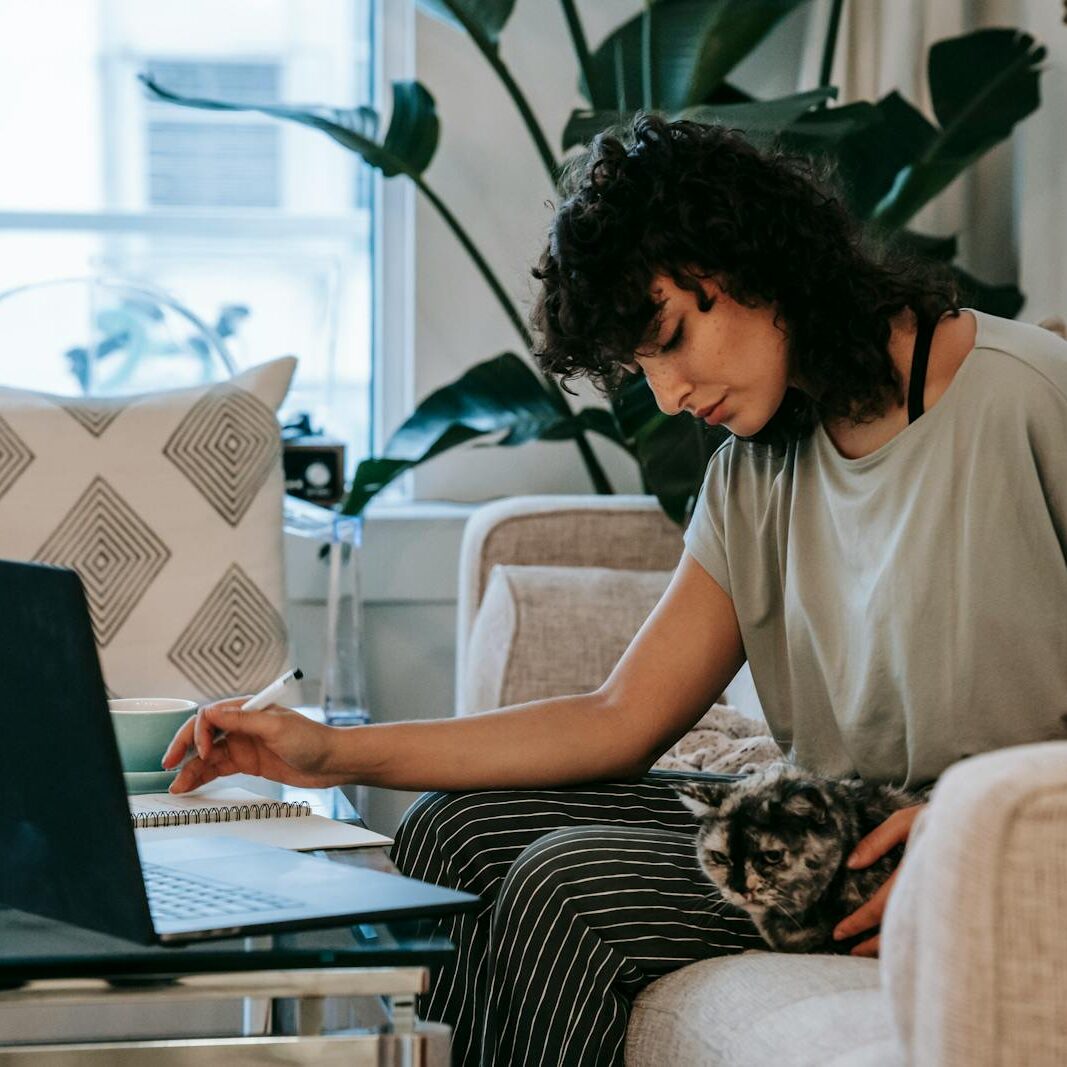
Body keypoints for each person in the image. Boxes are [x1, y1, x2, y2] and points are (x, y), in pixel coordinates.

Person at [161, 114, 1067, 1066]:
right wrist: (329, 754)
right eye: (644, 367)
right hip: (828, 824)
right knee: (450, 835)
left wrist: (982, 832)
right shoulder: (754, 468)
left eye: (671, 335)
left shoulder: (1027, 397)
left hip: (992, 846)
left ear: (753, 258)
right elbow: (619, 714)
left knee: (570, 888)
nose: (671, 395)